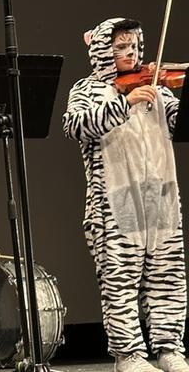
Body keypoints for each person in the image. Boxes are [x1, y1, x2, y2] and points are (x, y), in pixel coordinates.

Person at [63, 18, 187, 372]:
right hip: (115, 199)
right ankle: (128, 354)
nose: (129, 53)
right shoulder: (87, 89)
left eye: (133, 46)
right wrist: (124, 101)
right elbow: (74, 126)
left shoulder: (159, 88)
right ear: (102, 50)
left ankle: (168, 348)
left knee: (168, 277)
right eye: (120, 47)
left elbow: (180, 125)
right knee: (120, 282)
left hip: (161, 194)